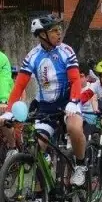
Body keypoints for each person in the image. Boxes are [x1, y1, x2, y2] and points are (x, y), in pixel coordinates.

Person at [0, 15, 88, 185]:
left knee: (74, 128)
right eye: (54, 30)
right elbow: (18, 86)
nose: (59, 33)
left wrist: (73, 100)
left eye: (59, 29)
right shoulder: (32, 56)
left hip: (69, 102)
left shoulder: (66, 51)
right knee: (36, 149)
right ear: (42, 35)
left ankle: (80, 165)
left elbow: (76, 80)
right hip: (46, 107)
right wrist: (10, 110)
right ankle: (41, 192)